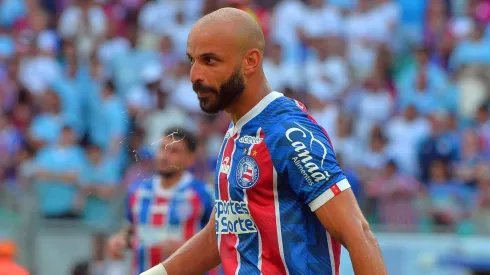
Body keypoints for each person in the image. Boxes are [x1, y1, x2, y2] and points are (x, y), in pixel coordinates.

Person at [141, 7, 387, 275]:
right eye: (192, 60)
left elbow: (358, 233)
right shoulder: (237, 129)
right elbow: (221, 234)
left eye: (210, 60)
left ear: (250, 61)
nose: (194, 76)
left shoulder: (288, 133)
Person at [107, 127, 214, 275]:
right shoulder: (137, 192)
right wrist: (119, 240)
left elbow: (219, 240)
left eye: (174, 151)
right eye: (162, 148)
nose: (164, 156)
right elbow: (130, 228)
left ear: (190, 159)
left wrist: (188, 249)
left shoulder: (204, 194)